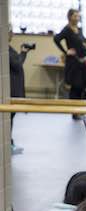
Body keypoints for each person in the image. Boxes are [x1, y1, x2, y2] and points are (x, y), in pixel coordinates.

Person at [53, 8, 86, 117]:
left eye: (78, 16)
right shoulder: (67, 30)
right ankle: (75, 112)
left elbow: (83, 41)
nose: (77, 18)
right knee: (75, 87)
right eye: (75, 16)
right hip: (73, 63)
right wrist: (66, 51)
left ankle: (82, 110)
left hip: (83, 62)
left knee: (82, 86)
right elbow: (56, 39)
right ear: (70, 17)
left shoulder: (80, 29)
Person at [8, 25, 32, 153]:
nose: (12, 34)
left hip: (13, 88)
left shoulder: (8, 48)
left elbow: (16, 62)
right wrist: (23, 53)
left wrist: (23, 53)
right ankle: (8, 143)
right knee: (8, 117)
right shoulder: (4, 49)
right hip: (10, 89)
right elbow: (17, 64)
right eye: (10, 31)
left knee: (10, 117)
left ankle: (9, 141)